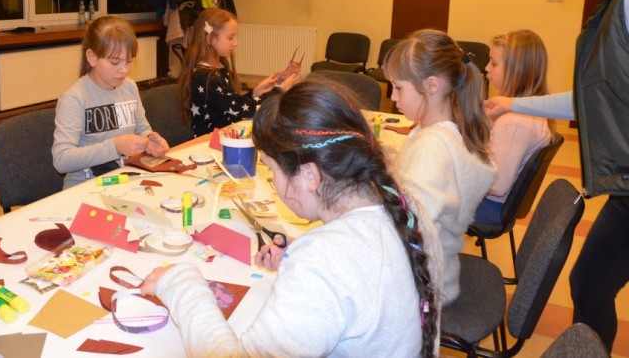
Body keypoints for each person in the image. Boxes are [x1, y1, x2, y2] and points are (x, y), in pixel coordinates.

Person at [142, 79, 439, 357]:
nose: (273, 182)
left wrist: (182, 285)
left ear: (309, 175)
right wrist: (301, 255)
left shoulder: (323, 261)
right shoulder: (406, 209)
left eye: (272, 170)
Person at [485, 0, 629, 351]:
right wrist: (512, 103)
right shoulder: (614, 5)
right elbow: (592, 100)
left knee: (590, 283)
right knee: (589, 283)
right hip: (625, 189)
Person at [384, 28, 496, 305]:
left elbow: (408, 230)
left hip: (420, 285)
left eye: (399, 88)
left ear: (431, 85)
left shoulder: (432, 147)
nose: (393, 97)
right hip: (438, 271)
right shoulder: (443, 133)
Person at [53, 16, 170, 189]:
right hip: (86, 187)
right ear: (92, 57)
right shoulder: (74, 98)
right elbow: (61, 160)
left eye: (129, 61)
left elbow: (142, 129)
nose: (124, 70)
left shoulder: (129, 87)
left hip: (125, 181)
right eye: (115, 62)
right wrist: (115, 147)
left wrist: (150, 141)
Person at [177, 8, 299, 137]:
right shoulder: (205, 76)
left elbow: (231, 103)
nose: (236, 43)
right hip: (208, 142)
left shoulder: (221, 66)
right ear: (210, 39)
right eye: (230, 37)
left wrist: (255, 92)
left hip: (224, 136)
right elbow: (242, 109)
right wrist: (279, 91)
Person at [473, 30, 553, 225]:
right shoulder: (531, 109)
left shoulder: (515, 122)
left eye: (493, 63)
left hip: (489, 206)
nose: (486, 68)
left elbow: (497, 185)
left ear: (516, 70)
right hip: (495, 203)